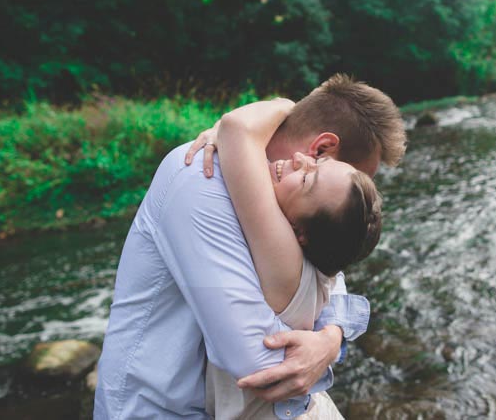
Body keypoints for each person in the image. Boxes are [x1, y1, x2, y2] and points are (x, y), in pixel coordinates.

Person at [94, 75, 406, 419]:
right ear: (320, 150)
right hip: (159, 409)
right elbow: (259, 364)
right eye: (355, 177)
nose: (352, 206)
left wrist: (330, 339)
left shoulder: (295, 211)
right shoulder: (203, 180)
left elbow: (329, 267)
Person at [206, 97, 383, 418]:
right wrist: (333, 336)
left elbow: (236, 128)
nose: (302, 160)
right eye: (321, 164)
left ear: (296, 231)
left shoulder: (284, 261)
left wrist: (286, 103)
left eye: (306, 180)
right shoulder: (322, 262)